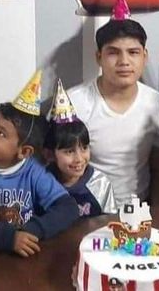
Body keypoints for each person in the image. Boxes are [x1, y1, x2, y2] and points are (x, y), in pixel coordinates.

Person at [0, 71, 79, 256]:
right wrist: (9, 238)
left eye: (1, 134)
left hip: (22, 253)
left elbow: (68, 208)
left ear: (24, 152)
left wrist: (34, 229)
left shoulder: (34, 172)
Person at [68, 0, 159, 205]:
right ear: (99, 57)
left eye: (133, 52)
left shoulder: (154, 102)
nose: (124, 61)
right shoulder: (74, 103)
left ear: (144, 56)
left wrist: (156, 215)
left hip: (139, 211)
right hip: (86, 210)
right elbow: (58, 172)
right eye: (113, 53)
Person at [43, 79, 116, 217]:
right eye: (69, 151)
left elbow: (109, 222)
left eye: (84, 148)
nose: (79, 158)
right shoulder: (42, 182)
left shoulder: (99, 183)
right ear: (50, 154)